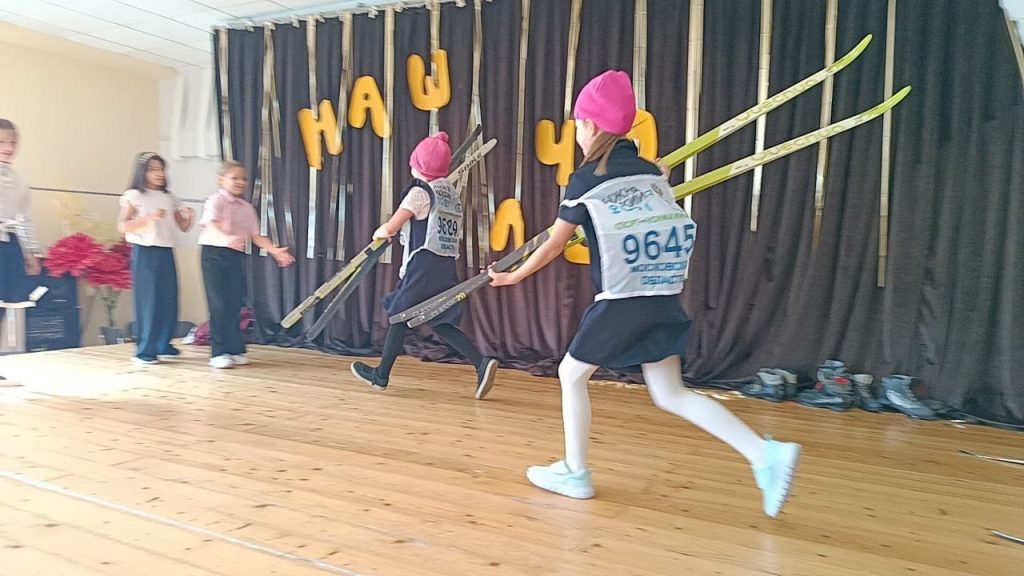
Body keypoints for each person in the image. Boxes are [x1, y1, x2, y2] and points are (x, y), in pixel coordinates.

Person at [488, 70, 801, 517]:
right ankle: (764, 454)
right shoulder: (652, 173)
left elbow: (555, 244)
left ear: (590, 126)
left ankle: (576, 472)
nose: (577, 133)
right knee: (670, 394)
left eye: (578, 124)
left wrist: (514, 276)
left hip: (622, 301)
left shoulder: (585, 180)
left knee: (571, 374)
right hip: (662, 296)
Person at [349, 132, 499, 399]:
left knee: (400, 314)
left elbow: (390, 228)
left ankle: (381, 375)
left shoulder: (419, 193)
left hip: (422, 264)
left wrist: (379, 232)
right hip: (445, 265)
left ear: (418, 166)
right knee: (437, 318)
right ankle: (481, 363)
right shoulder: (449, 193)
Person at [198, 160, 294, 369]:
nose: (240, 182)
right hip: (213, 254)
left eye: (243, 178)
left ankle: (235, 349)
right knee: (218, 304)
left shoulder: (247, 207)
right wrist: (225, 238)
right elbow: (210, 223)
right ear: (221, 179)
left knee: (235, 302)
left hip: (235, 255)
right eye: (234, 178)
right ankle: (218, 353)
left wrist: (274, 251)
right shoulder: (215, 201)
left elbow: (255, 235)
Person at [117, 152, 193, 365]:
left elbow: (182, 227)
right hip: (145, 251)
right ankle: (144, 350)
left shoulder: (168, 197)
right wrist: (148, 218)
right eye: (153, 169)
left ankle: (163, 344)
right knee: (148, 302)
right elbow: (122, 225)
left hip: (166, 250)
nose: (159, 174)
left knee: (169, 299)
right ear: (142, 172)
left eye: (161, 169)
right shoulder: (134, 195)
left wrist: (189, 217)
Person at [0, 118, 42, 385]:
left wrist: (31, 252)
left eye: (13, 142)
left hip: (8, 244)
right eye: (2, 142)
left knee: (2, 305)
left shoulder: (19, 181)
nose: (8, 147)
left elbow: (24, 219)